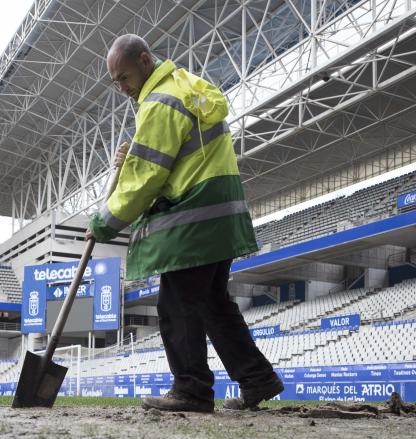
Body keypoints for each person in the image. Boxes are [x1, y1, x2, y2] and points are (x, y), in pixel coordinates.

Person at [87, 34, 284, 413]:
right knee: (213, 303)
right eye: (116, 82)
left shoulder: (160, 103)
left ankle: (191, 390)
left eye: (124, 78)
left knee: (176, 305)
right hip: (220, 216)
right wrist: (134, 157)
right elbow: (176, 158)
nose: (123, 88)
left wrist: (105, 222)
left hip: (194, 218)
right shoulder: (186, 88)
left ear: (145, 61)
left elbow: (148, 177)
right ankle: (257, 379)